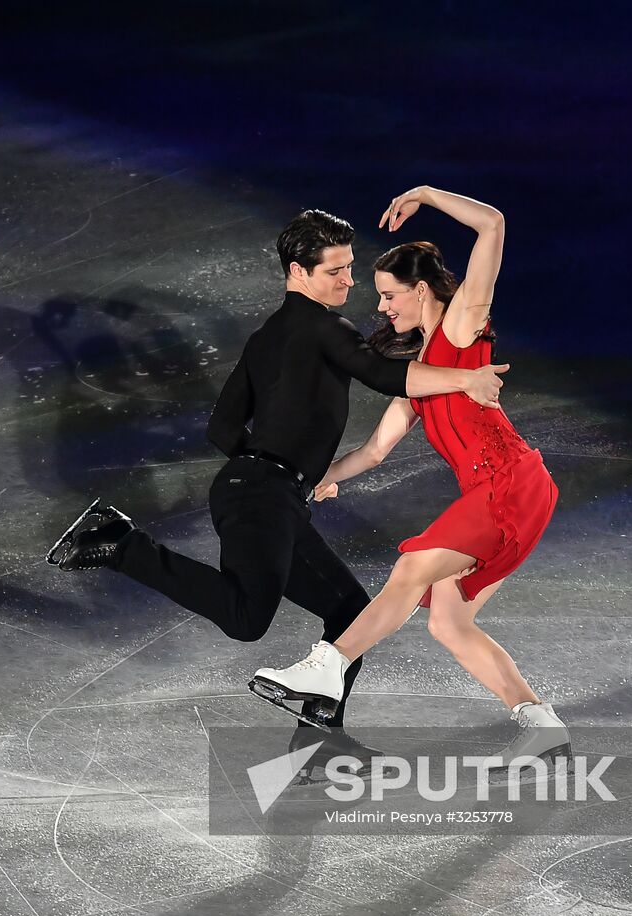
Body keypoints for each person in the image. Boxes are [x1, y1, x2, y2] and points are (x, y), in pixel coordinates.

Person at [47, 208, 510, 730]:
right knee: (247, 619)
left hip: (270, 493)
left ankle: (321, 710)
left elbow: (222, 429)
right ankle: (121, 543)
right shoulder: (324, 326)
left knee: (351, 611)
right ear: (298, 272)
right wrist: (463, 380)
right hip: (264, 494)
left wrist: (285, 471)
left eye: (348, 267)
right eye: (334, 271)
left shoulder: (267, 337)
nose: (348, 280)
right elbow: (383, 374)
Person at [251, 187, 568, 764]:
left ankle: (328, 666)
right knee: (449, 623)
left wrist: (425, 194)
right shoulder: (417, 375)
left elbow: (492, 226)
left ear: (420, 289)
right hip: (507, 493)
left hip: (510, 482)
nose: (381, 308)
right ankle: (541, 724)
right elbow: (373, 451)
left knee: (410, 568)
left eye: (390, 295)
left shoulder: (463, 327)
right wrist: (317, 478)